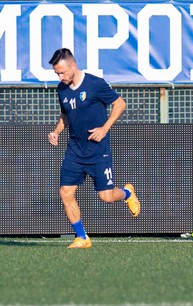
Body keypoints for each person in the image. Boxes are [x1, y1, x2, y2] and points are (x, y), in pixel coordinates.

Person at [47, 48, 140, 249]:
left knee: (106, 197)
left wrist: (105, 128)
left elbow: (120, 104)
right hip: (74, 150)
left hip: (98, 150)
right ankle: (82, 237)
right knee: (65, 192)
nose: (60, 77)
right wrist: (56, 131)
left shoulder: (95, 84)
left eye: (62, 72)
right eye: (57, 73)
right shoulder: (61, 89)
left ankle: (127, 193)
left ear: (73, 66)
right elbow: (66, 115)